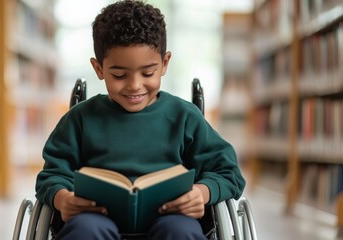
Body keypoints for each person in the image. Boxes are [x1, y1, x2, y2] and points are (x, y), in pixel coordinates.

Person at [35, 1, 246, 239]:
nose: (135, 85)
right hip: (93, 218)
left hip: (172, 218)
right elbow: (51, 175)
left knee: (180, 231)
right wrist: (63, 198)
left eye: (147, 73)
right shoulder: (80, 119)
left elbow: (228, 172)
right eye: (119, 75)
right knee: (85, 230)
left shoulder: (185, 117)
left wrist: (203, 192)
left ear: (164, 64)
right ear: (98, 68)